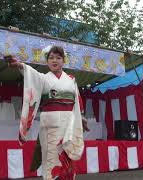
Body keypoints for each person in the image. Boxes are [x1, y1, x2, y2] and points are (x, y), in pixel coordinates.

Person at [7, 45, 87, 180]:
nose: (54, 60)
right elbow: (30, 74)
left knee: (67, 157)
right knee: (51, 158)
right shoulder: (43, 78)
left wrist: (82, 118)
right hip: (50, 125)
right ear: (47, 61)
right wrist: (20, 65)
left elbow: (77, 103)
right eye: (51, 58)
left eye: (58, 57)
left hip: (68, 124)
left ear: (64, 60)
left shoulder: (71, 79)